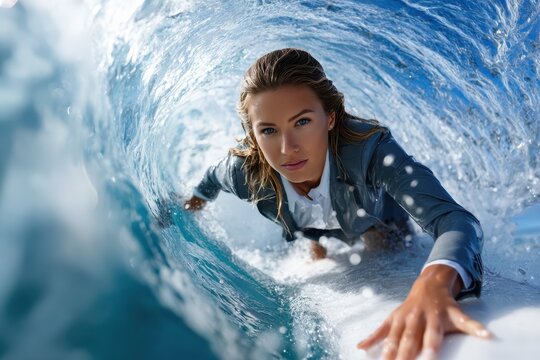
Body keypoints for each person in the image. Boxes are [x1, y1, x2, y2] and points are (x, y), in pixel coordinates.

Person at [180, 48, 492, 360]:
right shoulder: (244, 172)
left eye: (302, 122)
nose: (288, 149)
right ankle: (318, 249)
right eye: (269, 130)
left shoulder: (371, 151)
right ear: (253, 134)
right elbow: (209, 182)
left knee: (391, 246)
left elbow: (454, 219)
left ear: (330, 117)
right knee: (314, 248)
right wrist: (188, 207)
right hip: (308, 228)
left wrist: (434, 283)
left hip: (377, 223)